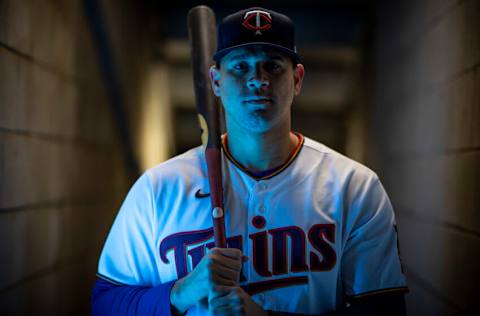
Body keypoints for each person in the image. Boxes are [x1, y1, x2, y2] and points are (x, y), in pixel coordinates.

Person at [92, 7, 408, 316]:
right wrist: (181, 292)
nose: (257, 79)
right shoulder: (158, 188)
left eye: (272, 66)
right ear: (215, 81)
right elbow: (106, 303)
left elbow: (384, 309)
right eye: (240, 67)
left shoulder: (355, 187)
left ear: (297, 79)